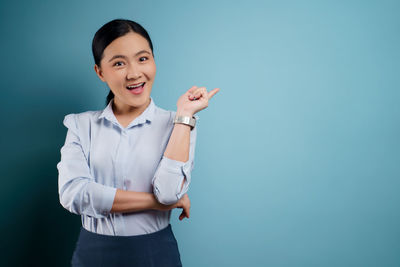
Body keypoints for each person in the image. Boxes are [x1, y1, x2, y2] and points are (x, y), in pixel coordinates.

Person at [57, 19, 219, 266]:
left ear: (154, 61)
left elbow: (167, 193)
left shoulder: (178, 124)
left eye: (143, 59)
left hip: (154, 253)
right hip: (93, 253)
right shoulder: (80, 126)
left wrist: (184, 115)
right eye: (119, 63)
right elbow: (74, 195)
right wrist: (156, 202)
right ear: (100, 72)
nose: (134, 73)